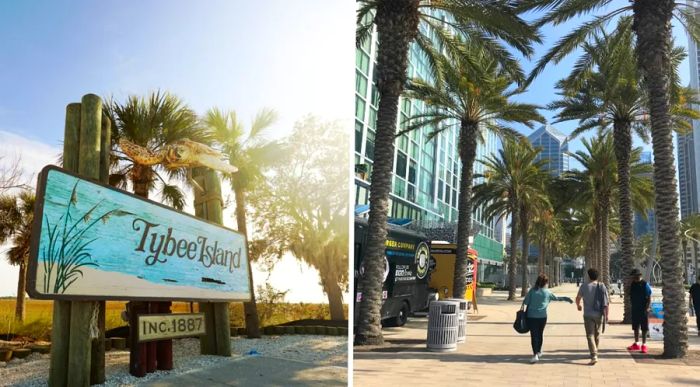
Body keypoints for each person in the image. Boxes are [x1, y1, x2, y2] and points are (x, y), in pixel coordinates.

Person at [521, 274, 573, 364]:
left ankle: (535, 355)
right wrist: (567, 299)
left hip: (531, 316)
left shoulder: (532, 291)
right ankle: (539, 351)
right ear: (546, 283)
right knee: (540, 334)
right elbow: (557, 298)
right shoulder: (547, 292)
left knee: (534, 335)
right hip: (542, 317)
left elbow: (525, 302)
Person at [576, 268, 609, 365]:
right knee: (597, 334)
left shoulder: (584, 286)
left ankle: (594, 354)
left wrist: (578, 306)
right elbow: (606, 303)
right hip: (599, 314)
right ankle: (595, 352)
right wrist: (607, 315)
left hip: (587, 314)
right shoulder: (602, 286)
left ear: (588, 276)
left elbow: (578, 298)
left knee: (590, 335)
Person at [626, 269, 651, 353]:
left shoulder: (645, 284)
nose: (632, 278)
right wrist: (629, 284)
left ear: (638, 276)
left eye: (633, 276)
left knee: (644, 327)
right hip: (635, 308)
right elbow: (627, 293)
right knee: (635, 327)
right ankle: (636, 343)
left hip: (643, 308)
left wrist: (647, 307)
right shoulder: (633, 284)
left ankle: (644, 345)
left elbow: (649, 296)